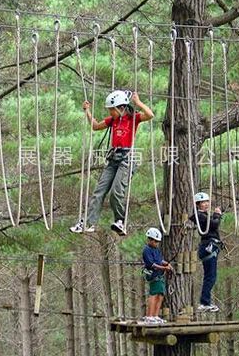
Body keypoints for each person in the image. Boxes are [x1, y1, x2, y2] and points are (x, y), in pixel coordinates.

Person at [70, 90, 154, 235]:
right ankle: (88, 223)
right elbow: (95, 126)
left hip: (127, 158)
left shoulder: (133, 118)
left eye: (111, 110)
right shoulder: (113, 120)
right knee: (99, 192)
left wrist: (138, 102)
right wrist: (87, 111)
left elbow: (150, 115)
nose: (110, 113)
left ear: (121, 108)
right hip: (113, 158)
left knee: (116, 191)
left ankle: (120, 220)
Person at [189, 192, 222, 312]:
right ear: (198, 204)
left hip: (210, 247)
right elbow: (214, 225)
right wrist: (217, 215)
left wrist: (215, 215)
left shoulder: (204, 215)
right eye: (203, 202)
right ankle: (204, 302)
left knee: (210, 276)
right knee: (210, 277)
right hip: (208, 247)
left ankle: (205, 302)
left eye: (207, 202)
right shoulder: (200, 216)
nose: (206, 204)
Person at [140, 227, 173, 325]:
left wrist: (167, 264)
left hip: (160, 275)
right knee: (154, 294)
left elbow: (160, 260)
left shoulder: (156, 250)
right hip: (153, 275)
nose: (156, 243)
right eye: (155, 241)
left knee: (160, 295)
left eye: (157, 242)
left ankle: (155, 315)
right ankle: (149, 316)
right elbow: (152, 264)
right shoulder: (147, 250)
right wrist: (164, 268)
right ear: (150, 240)